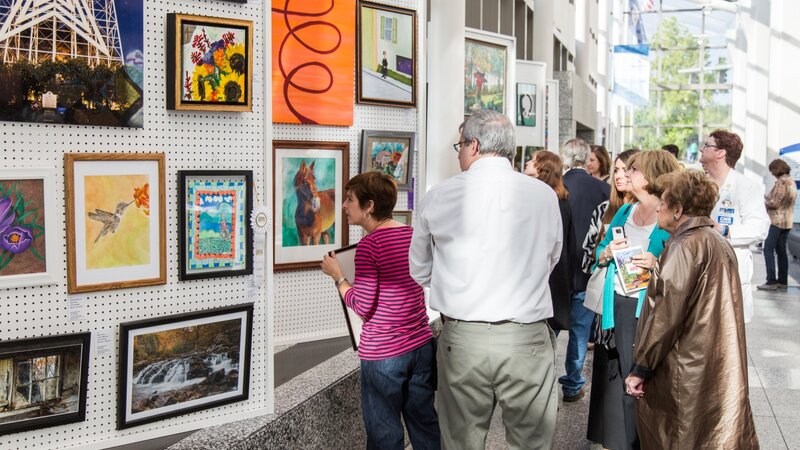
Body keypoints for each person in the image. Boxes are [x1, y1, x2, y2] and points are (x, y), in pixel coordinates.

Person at [409, 109, 561, 449]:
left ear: (474, 145)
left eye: (459, 145)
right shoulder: (543, 195)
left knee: (461, 441)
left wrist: (456, 280)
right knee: (531, 442)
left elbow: (419, 269)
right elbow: (551, 257)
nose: (459, 153)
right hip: (527, 337)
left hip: (463, 338)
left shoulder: (439, 195)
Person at [624, 170, 759, 449]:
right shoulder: (716, 241)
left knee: (679, 436)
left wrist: (641, 367)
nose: (658, 207)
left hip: (684, 366)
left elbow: (666, 315)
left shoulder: (684, 247)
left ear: (678, 210)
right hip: (711, 361)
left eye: (664, 201)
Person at [321, 172, 439, 450]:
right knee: (425, 424)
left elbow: (363, 306)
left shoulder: (369, 246)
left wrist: (338, 277)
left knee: (384, 433)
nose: (344, 206)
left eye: (350, 200)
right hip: (421, 346)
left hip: (385, 354)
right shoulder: (411, 235)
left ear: (369, 206)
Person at [587, 150, 680, 450]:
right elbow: (600, 251)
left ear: (652, 175)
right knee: (621, 377)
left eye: (635, 170)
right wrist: (607, 253)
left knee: (643, 380)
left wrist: (656, 263)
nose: (626, 174)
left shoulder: (670, 216)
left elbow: (681, 265)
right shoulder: (627, 210)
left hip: (648, 308)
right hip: (618, 304)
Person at [700, 130, 770, 322]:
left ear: (720, 153)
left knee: (729, 336)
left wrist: (724, 230)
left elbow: (760, 227)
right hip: (700, 266)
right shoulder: (698, 185)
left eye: (707, 145)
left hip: (731, 268)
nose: (701, 148)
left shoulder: (746, 186)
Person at [559, 138, 610, 402]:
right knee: (580, 331)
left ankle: (542, 383)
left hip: (557, 272)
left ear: (564, 157)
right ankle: (572, 384)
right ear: (587, 158)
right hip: (588, 267)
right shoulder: (603, 189)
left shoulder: (556, 185)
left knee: (549, 330)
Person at [525, 151, 574, 332]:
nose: (528, 162)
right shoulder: (558, 199)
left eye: (533, 160)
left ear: (543, 168)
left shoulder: (553, 200)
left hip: (548, 280)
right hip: (550, 281)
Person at [581, 149, 640, 274]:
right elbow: (588, 252)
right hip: (605, 282)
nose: (618, 176)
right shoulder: (604, 209)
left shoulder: (648, 211)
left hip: (636, 284)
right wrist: (604, 249)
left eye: (625, 170)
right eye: (616, 171)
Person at [759, 158, 797, 290]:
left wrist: (764, 203)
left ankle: (771, 281)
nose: (771, 173)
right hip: (787, 221)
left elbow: (775, 203)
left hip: (776, 221)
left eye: (772, 170)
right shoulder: (791, 182)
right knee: (782, 252)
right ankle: (782, 281)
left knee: (768, 249)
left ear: (776, 169)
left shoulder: (781, 182)